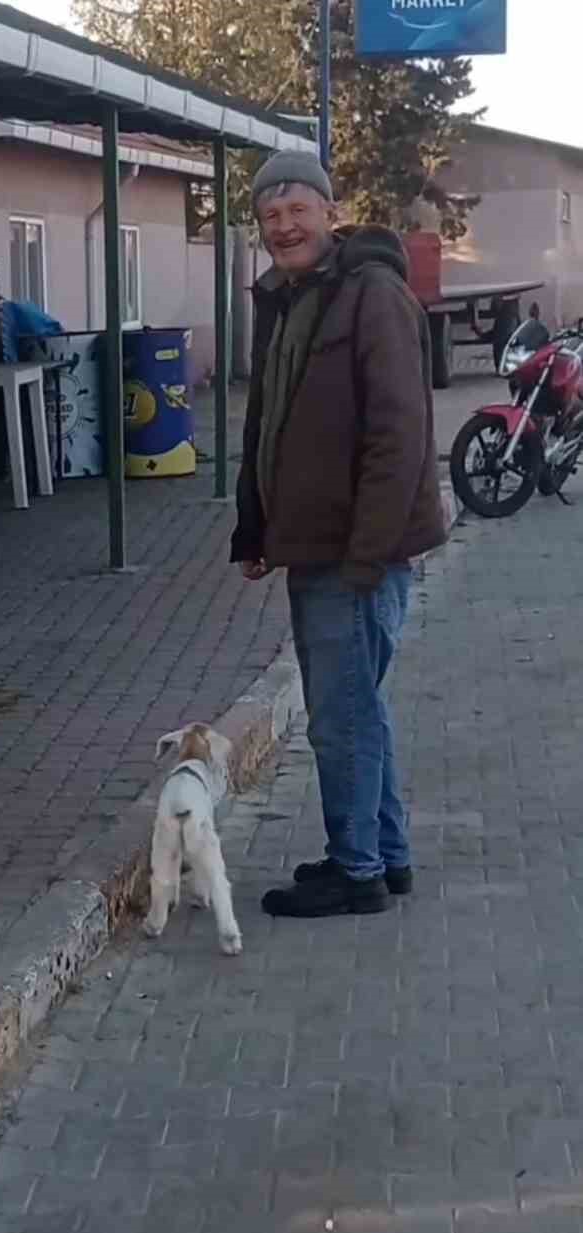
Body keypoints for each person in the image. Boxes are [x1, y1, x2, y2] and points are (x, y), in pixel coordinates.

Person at [231, 150, 447, 917]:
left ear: (328, 210)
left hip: (354, 553)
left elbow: (399, 435)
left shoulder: (372, 295)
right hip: (315, 544)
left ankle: (355, 872)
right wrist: (252, 526)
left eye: (297, 210)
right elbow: (270, 423)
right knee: (360, 709)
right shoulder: (291, 297)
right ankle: (383, 858)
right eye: (270, 216)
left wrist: (367, 555)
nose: (284, 226)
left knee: (341, 719)